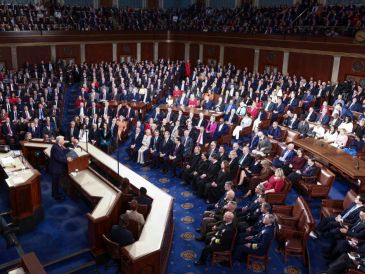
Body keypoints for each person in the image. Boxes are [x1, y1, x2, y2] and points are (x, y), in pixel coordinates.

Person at [49, 136, 72, 201]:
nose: (64, 141)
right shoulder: (55, 147)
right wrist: (66, 159)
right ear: (59, 141)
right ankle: (55, 196)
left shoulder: (59, 146)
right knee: (55, 182)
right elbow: (58, 158)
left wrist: (70, 149)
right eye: (63, 140)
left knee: (57, 182)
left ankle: (56, 193)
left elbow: (63, 151)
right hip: (55, 168)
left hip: (58, 168)